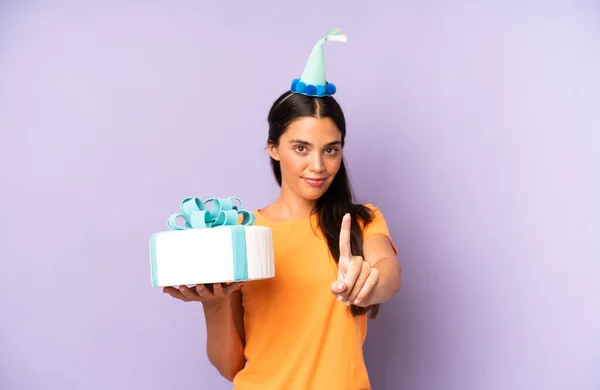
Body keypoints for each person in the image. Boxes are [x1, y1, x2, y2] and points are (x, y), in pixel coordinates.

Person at [163, 29, 401, 390]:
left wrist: (369, 284)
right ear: (274, 148)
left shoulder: (362, 220)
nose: (318, 166)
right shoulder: (244, 235)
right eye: (301, 148)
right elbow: (231, 366)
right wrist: (213, 305)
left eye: (331, 149)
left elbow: (389, 273)